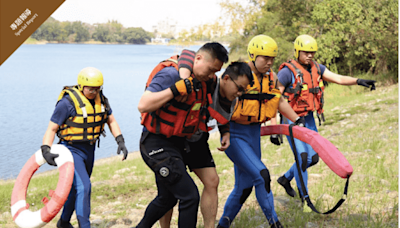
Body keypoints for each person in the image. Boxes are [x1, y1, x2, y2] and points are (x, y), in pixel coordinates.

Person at [275, 34, 376, 211]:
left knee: (313, 158)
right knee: (303, 157)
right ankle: (305, 200)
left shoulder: (317, 68)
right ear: (298, 51)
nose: (310, 56)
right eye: (306, 52)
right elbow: (274, 98)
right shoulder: (286, 72)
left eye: (312, 52)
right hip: (292, 121)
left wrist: (359, 81)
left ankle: (285, 178)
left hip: (309, 119)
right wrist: (274, 127)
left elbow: (338, 78)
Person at [135, 42, 229, 228]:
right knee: (189, 196)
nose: (211, 76)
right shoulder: (170, 74)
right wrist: (174, 90)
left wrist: (224, 129)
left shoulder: (204, 82)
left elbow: (214, 107)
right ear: (199, 58)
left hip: (178, 143)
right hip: (156, 143)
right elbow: (143, 105)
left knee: (167, 199)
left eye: (215, 72)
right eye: (210, 70)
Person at [217, 35, 305, 228]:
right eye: (265, 58)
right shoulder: (239, 74)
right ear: (253, 55)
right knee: (262, 175)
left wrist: (298, 120)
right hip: (235, 135)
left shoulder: (270, 77)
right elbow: (218, 98)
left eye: (272, 58)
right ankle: (275, 223)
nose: (270, 62)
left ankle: (222, 225)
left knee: (244, 186)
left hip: (254, 134)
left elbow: (279, 101)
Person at [159, 57, 253, 228]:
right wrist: (183, 80)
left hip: (197, 139)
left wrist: (225, 132)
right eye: (239, 88)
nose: (239, 94)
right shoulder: (208, 81)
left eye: (243, 91)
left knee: (212, 181)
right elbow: (187, 54)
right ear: (226, 78)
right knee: (168, 192)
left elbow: (221, 116)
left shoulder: (232, 100)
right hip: (172, 139)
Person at [41, 67, 129, 228]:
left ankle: (64, 222)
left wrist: (120, 141)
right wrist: (46, 149)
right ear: (81, 86)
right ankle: (84, 225)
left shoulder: (101, 100)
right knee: (84, 186)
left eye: (97, 88)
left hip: (90, 150)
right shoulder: (67, 103)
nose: (94, 92)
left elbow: (111, 121)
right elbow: (51, 128)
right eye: (91, 89)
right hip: (71, 150)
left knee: (76, 189)